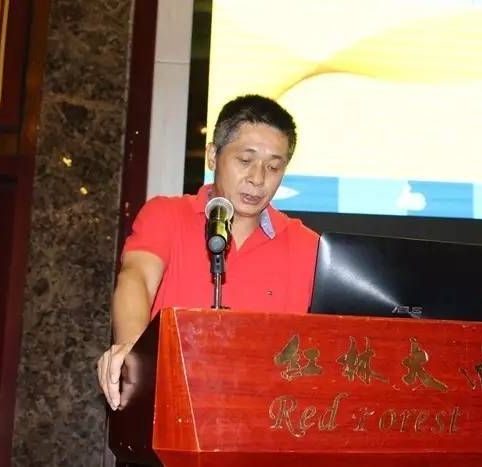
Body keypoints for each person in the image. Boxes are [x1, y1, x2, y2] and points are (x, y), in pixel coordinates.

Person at [96, 95, 318, 410]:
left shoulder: (308, 247)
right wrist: (132, 349)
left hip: (264, 419)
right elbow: (138, 278)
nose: (257, 179)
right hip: (172, 407)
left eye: (273, 167)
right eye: (245, 161)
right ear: (213, 155)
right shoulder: (166, 216)